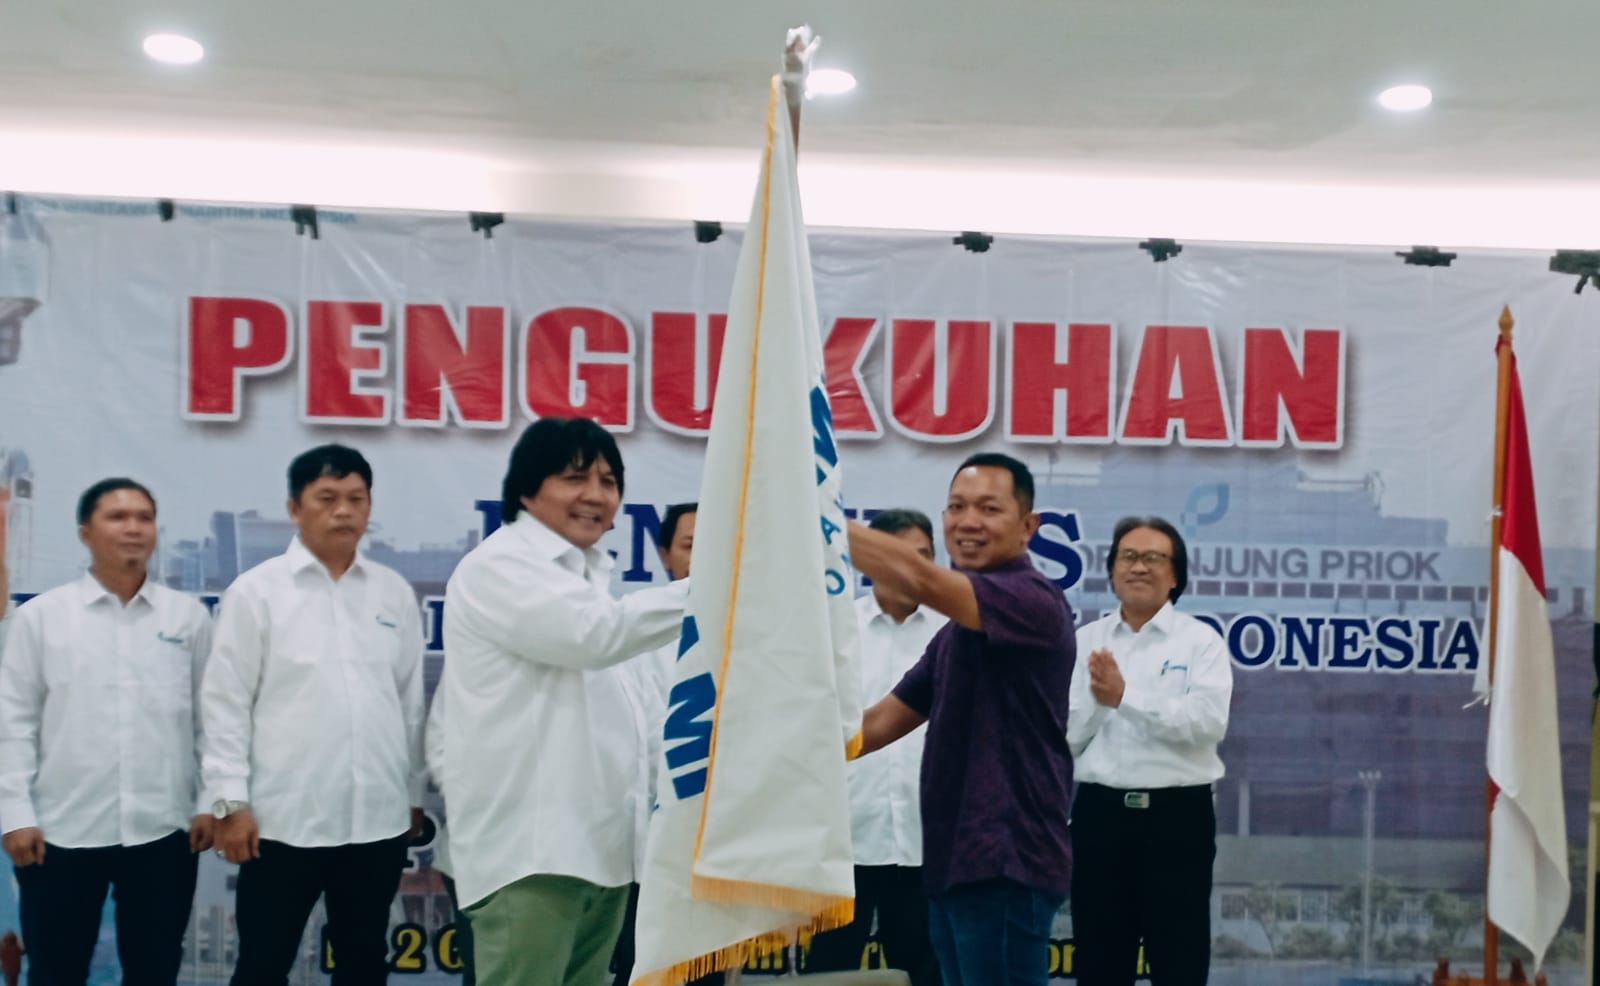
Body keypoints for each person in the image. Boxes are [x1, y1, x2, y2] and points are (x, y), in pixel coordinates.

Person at [441, 417, 689, 986]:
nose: (596, 496)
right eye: (575, 478)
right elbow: (594, 637)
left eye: (609, 481)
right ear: (527, 489)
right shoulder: (502, 566)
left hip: (601, 853)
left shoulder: (587, 582)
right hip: (533, 857)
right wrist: (724, 584)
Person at [846, 453, 1074, 986]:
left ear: (1028, 526)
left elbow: (916, 576)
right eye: (956, 507)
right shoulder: (953, 634)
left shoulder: (1032, 599)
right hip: (955, 862)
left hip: (1006, 861)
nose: (968, 521)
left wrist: (808, 515)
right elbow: (876, 725)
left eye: (989, 509)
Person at [201, 444, 425, 986]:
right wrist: (229, 802)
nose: (343, 511)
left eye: (356, 498)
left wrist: (412, 793)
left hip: (376, 822)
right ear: (294, 508)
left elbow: (409, 703)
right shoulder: (256, 593)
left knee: (364, 963)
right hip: (281, 823)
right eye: (327, 498)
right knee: (263, 965)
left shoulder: (392, 593)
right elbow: (225, 704)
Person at [0, 478, 213, 985]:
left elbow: (211, 720)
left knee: (155, 969)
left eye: (144, 517)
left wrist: (212, 800)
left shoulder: (188, 618)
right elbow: (13, 722)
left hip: (163, 830)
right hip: (58, 831)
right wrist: (15, 815)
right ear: (85, 533)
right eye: (117, 517)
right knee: (55, 970)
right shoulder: (40, 619)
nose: (133, 528)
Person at [1066, 516, 1232, 986]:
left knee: (1179, 964)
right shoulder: (1085, 641)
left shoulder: (1201, 642)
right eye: (1128, 557)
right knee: (1098, 965)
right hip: (1099, 818)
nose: (1139, 567)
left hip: (1177, 821)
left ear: (1175, 574)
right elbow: (1064, 737)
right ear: (1112, 570)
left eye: (1153, 558)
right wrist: (1100, 703)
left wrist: (1125, 698)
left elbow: (1207, 724)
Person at [806, 509, 947, 986]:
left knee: (928, 972)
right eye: (902, 556)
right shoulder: (834, 631)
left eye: (925, 556)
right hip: (843, 843)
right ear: (872, 563)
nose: (915, 568)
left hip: (928, 841)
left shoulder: (953, 635)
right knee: (830, 973)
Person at [609, 500, 712, 986]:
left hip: (721, 847)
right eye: (691, 545)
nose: (705, 557)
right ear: (666, 553)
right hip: (650, 849)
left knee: (707, 973)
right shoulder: (637, 628)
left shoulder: (762, 633)